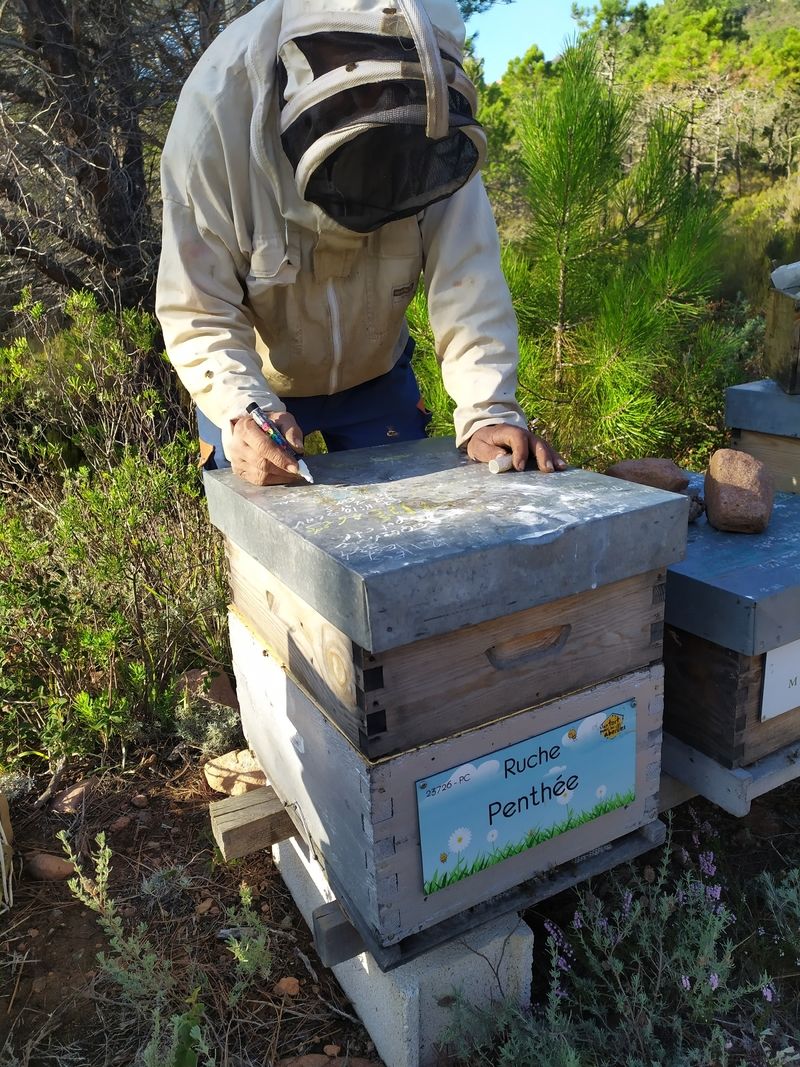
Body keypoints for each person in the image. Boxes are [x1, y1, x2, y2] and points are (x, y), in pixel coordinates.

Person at [156, 0, 565, 485]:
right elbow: (199, 306)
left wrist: (488, 410)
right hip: (255, 383)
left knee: (419, 527)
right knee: (262, 535)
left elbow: (467, 275)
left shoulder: (432, 106)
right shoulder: (216, 113)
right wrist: (244, 412)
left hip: (379, 375)